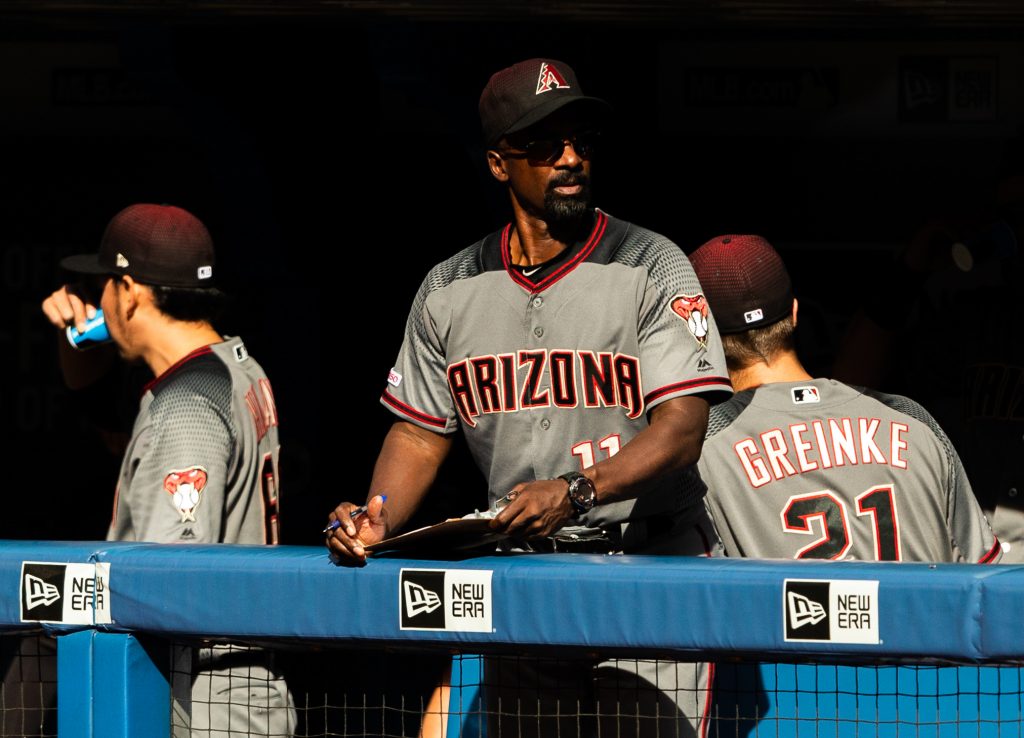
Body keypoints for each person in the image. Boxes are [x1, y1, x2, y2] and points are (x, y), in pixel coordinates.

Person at [327, 58, 732, 738]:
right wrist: (380, 515)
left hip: (650, 571)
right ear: (498, 164)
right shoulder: (449, 287)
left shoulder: (651, 263)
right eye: (545, 145)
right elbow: (420, 433)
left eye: (580, 140)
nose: (570, 158)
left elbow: (683, 427)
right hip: (525, 585)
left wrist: (576, 489)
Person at [42, 203, 295, 737]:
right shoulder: (232, 364)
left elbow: (156, 586)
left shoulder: (187, 404)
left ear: (130, 291)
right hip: (237, 692)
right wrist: (80, 337)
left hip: (195, 705)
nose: (100, 301)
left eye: (107, 286)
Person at [690, 234, 1001, 564]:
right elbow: (985, 577)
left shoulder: (699, 449)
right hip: (914, 616)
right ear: (795, 314)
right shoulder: (913, 422)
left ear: (699, 336)